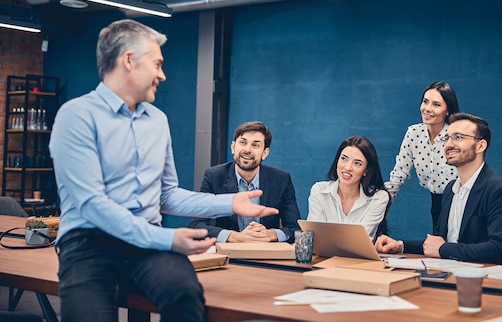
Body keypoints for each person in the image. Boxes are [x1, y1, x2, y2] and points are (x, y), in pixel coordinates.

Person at [49, 19, 278, 322]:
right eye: (156, 64)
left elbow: (166, 194)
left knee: (186, 295)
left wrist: (228, 202)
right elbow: (92, 205)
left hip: (146, 245)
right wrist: (166, 240)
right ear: (128, 61)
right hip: (89, 242)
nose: (162, 74)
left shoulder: (157, 121)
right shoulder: (76, 116)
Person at [376, 113, 502, 264]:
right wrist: (400, 246)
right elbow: (438, 243)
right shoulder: (450, 189)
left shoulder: (499, 191)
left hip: (481, 280)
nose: (448, 144)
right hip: (448, 273)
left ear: (480, 146)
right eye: (447, 138)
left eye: (458, 137)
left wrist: (443, 249)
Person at [189, 121, 301, 243]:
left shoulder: (281, 179)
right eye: (243, 142)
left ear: (264, 153)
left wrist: (271, 234)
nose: (247, 150)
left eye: (255, 145)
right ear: (233, 147)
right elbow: (196, 225)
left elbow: (296, 229)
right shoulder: (214, 176)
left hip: (267, 254)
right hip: (229, 254)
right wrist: (235, 236)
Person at [386, 81, 460, 231]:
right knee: (438, 246)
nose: (427, 109)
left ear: (447, 110)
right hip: (436, 203)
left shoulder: (456, 136)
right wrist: (378, 206)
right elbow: (398, 175)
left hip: (461, 202)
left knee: (454, 249)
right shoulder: (414, 133)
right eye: (425, 102)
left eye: (436, 105)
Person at [307, 136, 390, 241]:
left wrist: (326, 239)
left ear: (366, 171)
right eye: (344, 158)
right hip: (323, 257)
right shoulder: (319, 191)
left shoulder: (379, 198)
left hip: (357, 258)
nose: (347, 168)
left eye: (357, 163)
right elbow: (315, 237)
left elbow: (359, 241)